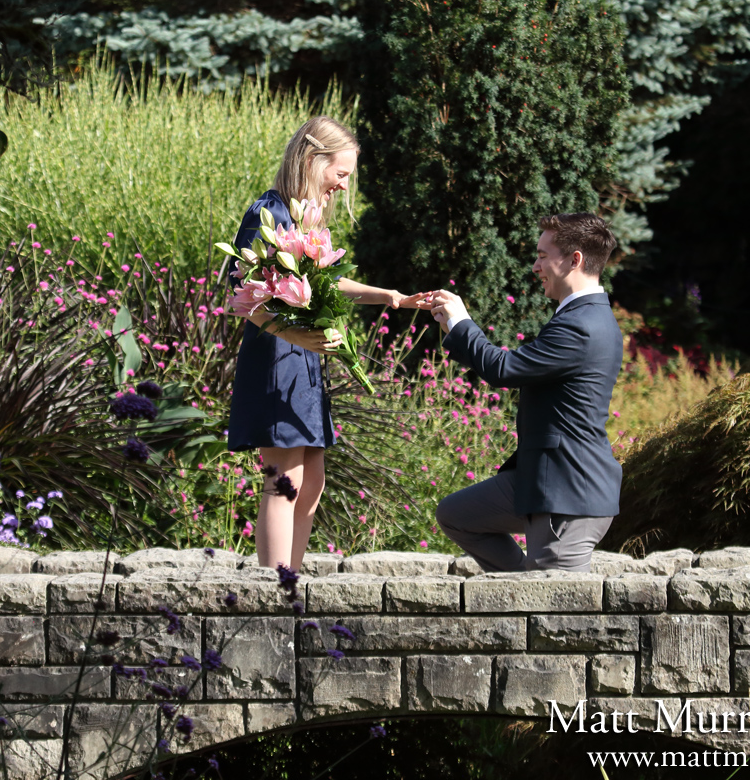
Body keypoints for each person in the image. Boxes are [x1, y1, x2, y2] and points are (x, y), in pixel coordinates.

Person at [226, 115, 418, 572]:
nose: (344, 186)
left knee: (312, 482)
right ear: (314, 160)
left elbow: (324, 279)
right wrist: (293, 334)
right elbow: (242, 300)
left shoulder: (301, 218)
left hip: (304, 363)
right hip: (276, 361)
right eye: (342, 174)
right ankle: (275, 591)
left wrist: (390, 296)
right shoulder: (266, 214)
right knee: (284, 482)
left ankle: (291, 579)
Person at [420, 212, 624, 573]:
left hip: (567, 495)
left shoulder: (582, 325)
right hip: (543, 480)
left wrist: (460, 322)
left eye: (543, 256)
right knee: (455, 515)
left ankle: (522, 590)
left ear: (574, 259)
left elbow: (504, 370)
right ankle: (516, 585)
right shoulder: (582, 317)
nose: (535, 265)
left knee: (551, 615)